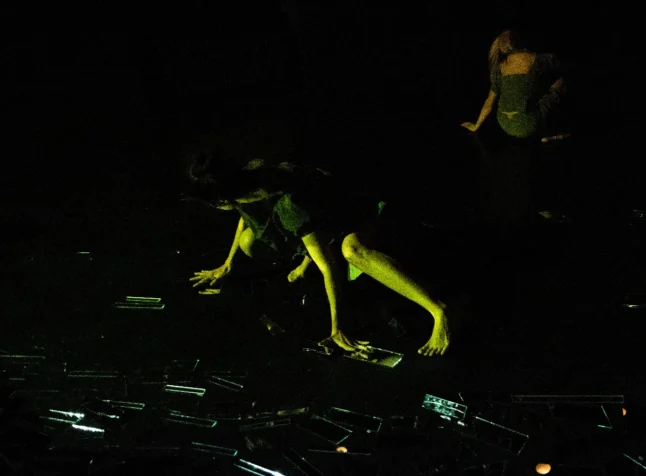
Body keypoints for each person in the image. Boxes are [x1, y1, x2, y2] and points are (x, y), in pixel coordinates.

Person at [186, 156, 451, 357]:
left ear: (221, 200)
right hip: (324, 220)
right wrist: (228, 264)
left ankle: (438, 311)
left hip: (362, 212)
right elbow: (246, 218)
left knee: (352, 251)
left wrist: (337, 326)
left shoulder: (289, 203)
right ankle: (310, 257)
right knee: (248, 242)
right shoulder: (250, 179)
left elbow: (328, 268)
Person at [461, 29, 567, 142]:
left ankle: (542, 129)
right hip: (529, 124)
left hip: (505, 124)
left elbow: (489, 102)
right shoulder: (537, 59)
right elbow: (557, 66)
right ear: (521, 41)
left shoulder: (499, 67)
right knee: (561, 82)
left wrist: (476, 126)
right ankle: (551, 131)